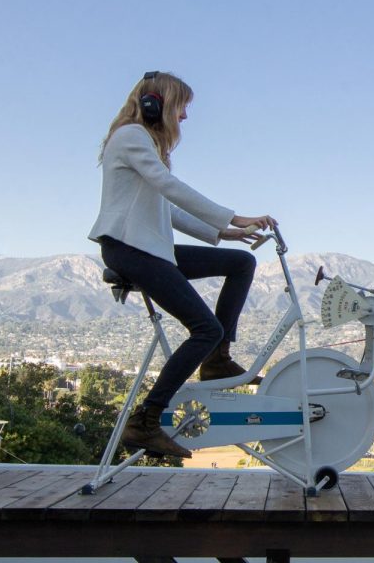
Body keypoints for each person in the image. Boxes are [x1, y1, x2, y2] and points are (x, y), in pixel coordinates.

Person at [88, 71, 277, 458]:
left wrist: (222, 232)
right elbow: (169, 187)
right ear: (155, 104)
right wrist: (233, 216)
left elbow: (165, 206)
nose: (185, 118)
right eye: (182, 107)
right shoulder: (131, 137)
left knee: (241, 262)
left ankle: (217, 361)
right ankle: (145, 421)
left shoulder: (146, 144)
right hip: (129, 249)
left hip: (151, 249)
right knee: (204, 328)